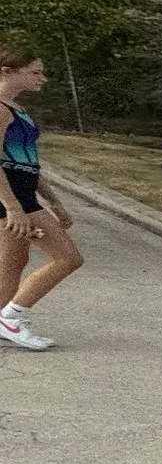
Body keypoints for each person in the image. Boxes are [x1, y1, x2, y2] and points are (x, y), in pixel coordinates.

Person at [0, 46, 85, 353]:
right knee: (68, 258)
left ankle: (5, 320)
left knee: (13, 263)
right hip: (8, 197)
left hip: (22, 194)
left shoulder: (18, 109)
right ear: (8, 72)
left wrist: (54, 200)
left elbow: (29, 164)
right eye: (35, 72)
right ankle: (11, 319)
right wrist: (13, 208)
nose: (43, 79)